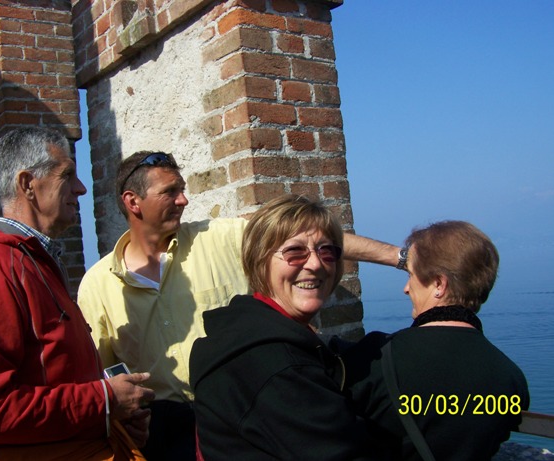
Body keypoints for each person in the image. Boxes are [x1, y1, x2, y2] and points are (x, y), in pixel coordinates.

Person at [78, 150, 402, 461]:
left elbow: (309, 238)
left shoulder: (219, 239)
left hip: (242, 412)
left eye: (182, 189)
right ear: (133, 201)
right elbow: (97, 377)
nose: (183, 200)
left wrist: (401, 257)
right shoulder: (97, 285)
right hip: (161, 433)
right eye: (170, 191)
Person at [0, 127, 155, 460]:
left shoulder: (32, 263)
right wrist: (104, 400)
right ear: (28, 184)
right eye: (66, 175)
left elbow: (52, 379)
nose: (80, 188)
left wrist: (111, 419)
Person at [189, 194, 375, 460]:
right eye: (295, 252)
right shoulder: (278, 368)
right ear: (260, 261)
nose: (315, 264)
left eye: (326, 251)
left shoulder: (244, 330)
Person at [335, 220, 530, 461]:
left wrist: (396, 257)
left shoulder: (375, 357)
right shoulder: (511, 378)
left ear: (438, 284)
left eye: (411, 275)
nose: (406, 288)